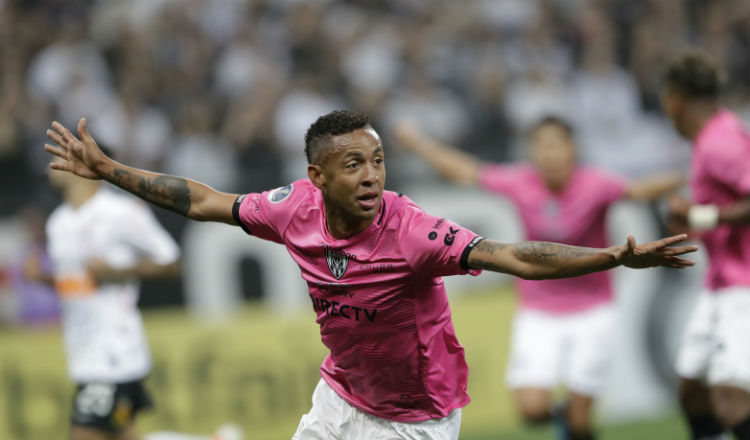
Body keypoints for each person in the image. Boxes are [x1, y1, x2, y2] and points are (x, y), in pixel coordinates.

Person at [44, 110, 696, 440]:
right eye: (354, 164)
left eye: (378, 161)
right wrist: (110, 170)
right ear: (317, 178)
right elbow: (205, 201)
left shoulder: (413, 232)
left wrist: (613, 257)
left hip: (418, 412)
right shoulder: (292, 210)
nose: (372, 176)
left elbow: (515, 255)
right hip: (344, 395)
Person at [394, 116, 684, 440]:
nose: (550, 154)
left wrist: (687, 174)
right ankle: (562, 416)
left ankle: (574, 423)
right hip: (539, 311)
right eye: (542, 146)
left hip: (593, 309)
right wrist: (419, 143)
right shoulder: (520, 182)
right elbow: (466, 171)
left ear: (572, 149)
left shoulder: (595, 184)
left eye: (556, 145)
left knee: (580, 421)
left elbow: (640, 190)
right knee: (530, 409)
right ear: (532, 152)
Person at [24, 156, 242, 440]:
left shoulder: (120, 212)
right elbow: (78, 285)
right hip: (82, 352)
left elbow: (172, 262)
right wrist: (43, 279)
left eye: (58, 156)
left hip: (114, 352)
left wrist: (117, 272)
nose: (48, 164)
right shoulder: (59, 223)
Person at [661, 51, 750, 440]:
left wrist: (700, 217)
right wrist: (694, 219)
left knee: (731, 400)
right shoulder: (715, 134)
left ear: (675, 99)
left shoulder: (720, 143)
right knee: (693, 392)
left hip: (743, 285)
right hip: (722, 283)